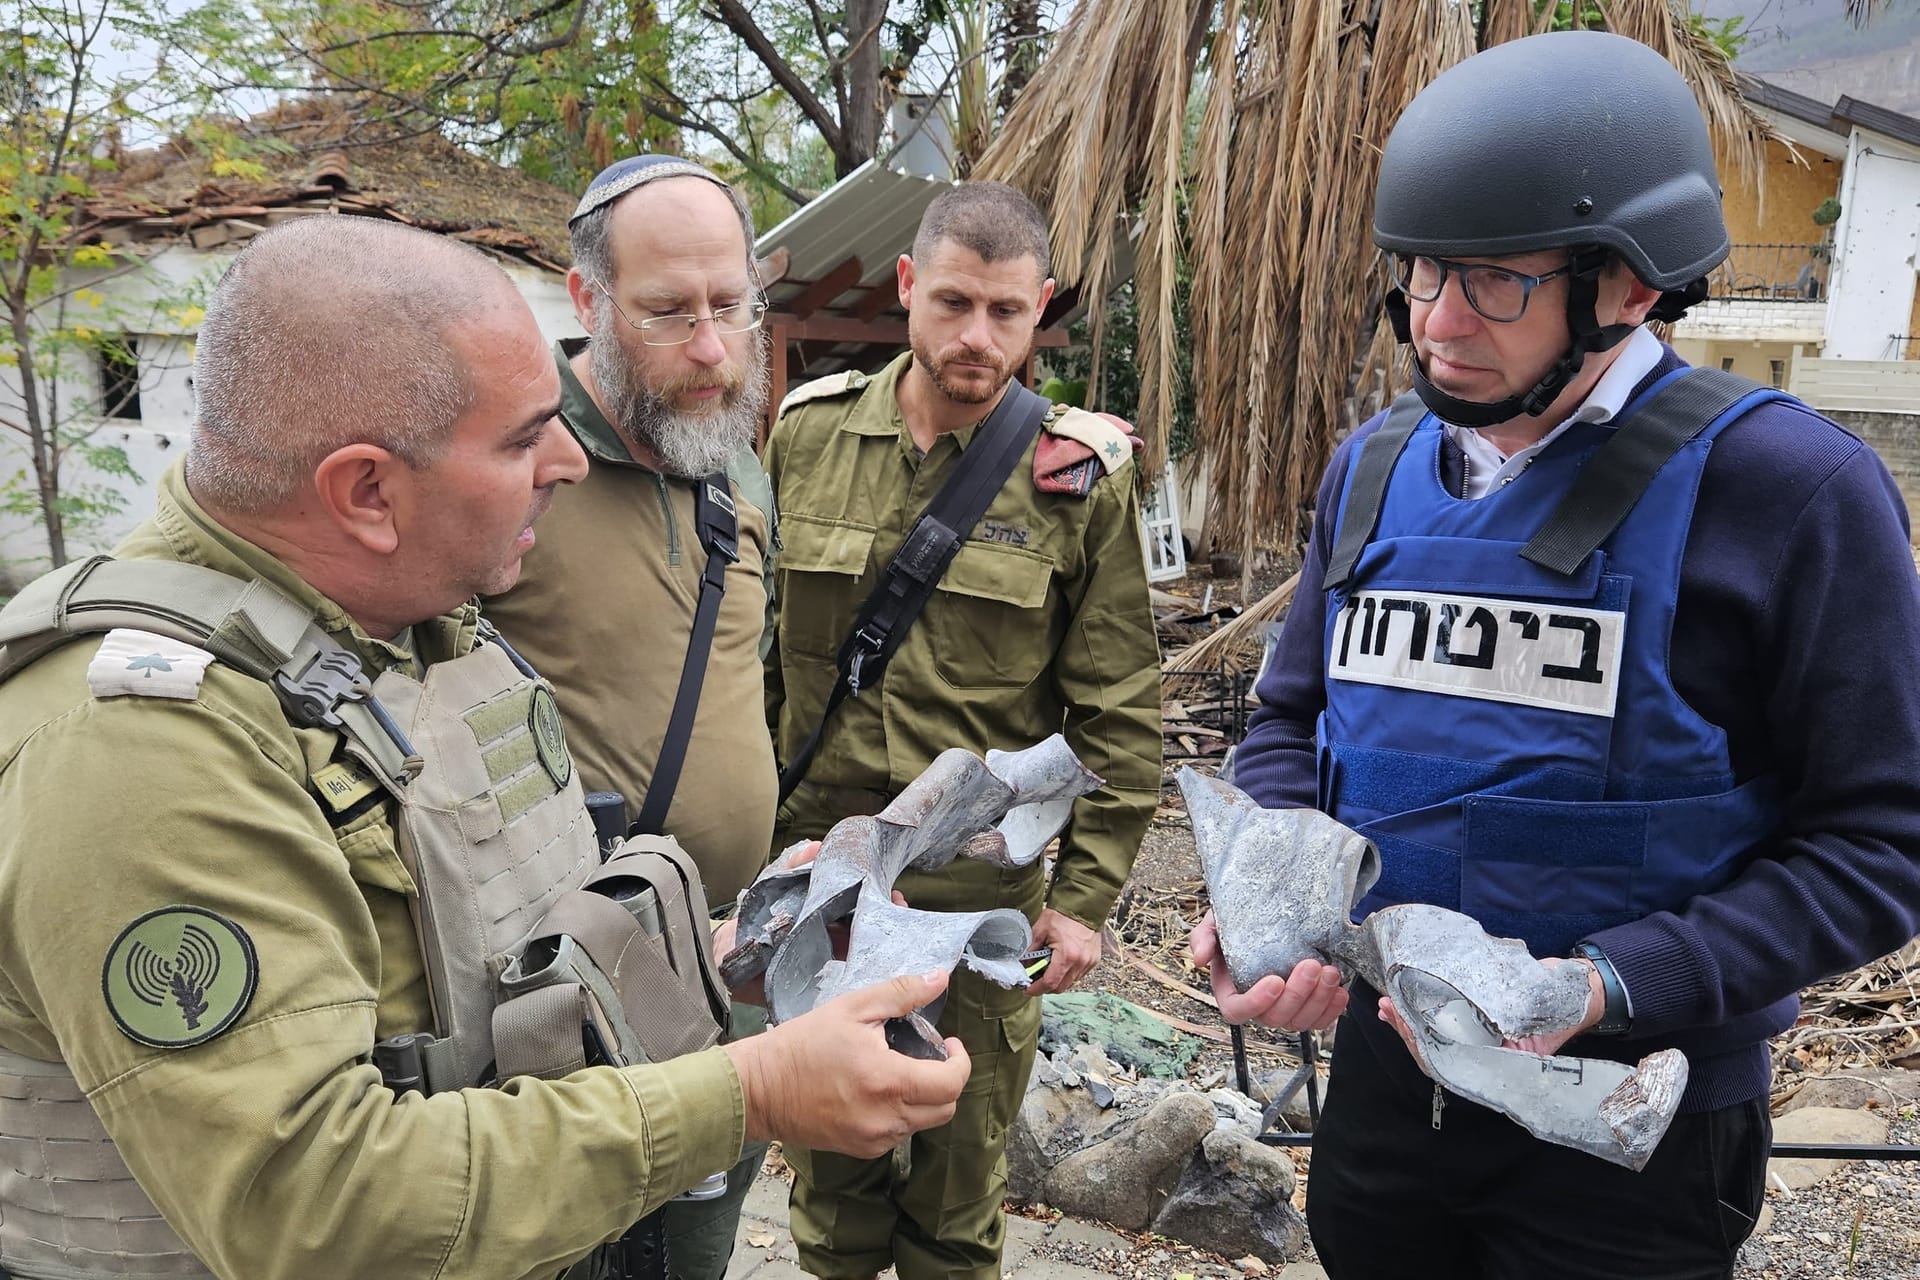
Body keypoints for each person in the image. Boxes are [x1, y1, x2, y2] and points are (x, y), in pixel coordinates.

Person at [0, 216, 972, 1280]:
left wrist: (731, 951)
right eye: (520, 439)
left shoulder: (407, 624)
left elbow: (479, 970)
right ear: (367, 491)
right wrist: (753, 1094)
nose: (567, 460)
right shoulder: (140, 755)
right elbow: (317, 1203)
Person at [1192, 30, 1920, 1280]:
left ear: (1631, 285)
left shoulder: (1791, 491)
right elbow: (1289, 721)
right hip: (1385, 1100)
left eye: (1492, 283)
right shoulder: (1371, 470)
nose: (1435, 320)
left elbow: (1884, 842)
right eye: (1418, 271)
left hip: (1634, 1128)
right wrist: (1272, 893)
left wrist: (1605, 983)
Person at [763, 180, 1162, 1280]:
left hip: (978, 909)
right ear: (906, 289)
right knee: (831, 1203)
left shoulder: (1077, 481)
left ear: (1040, 311)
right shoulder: (807, 437)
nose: (976, 337)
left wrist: (1082, 900)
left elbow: (1119, 706)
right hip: (829, 890)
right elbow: (760, 666)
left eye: (1005, 312)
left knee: (956, 1207)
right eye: (951, 304)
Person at [483, 154, 781, 1280]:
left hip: (719, 965)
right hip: (556, 991)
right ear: (586, 300)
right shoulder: (506, 466)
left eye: (732, 306)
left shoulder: (736, 467)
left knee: (689, 1253)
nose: (711, 349)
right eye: (667, 312)